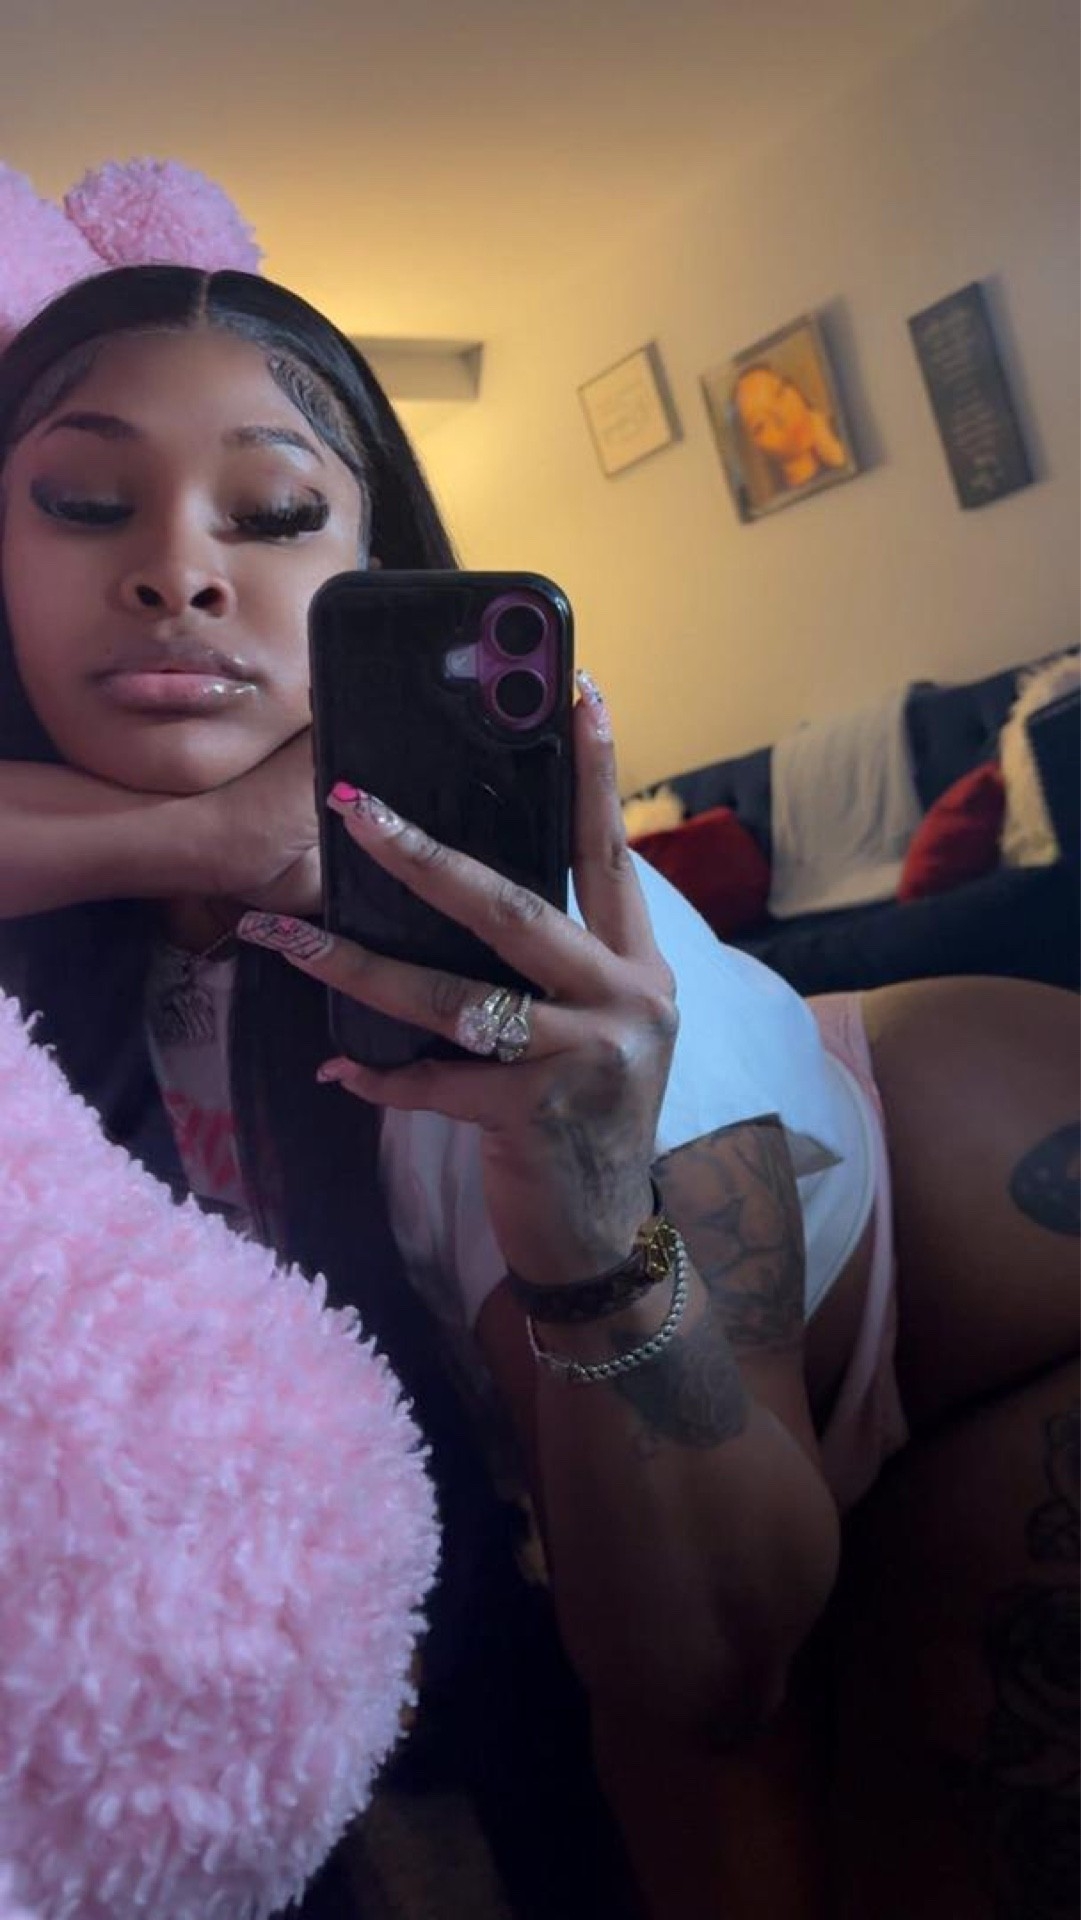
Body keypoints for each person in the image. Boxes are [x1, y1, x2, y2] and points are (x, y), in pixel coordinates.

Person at [0, 204, 1075, 1918]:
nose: (181, 571)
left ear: (380, 579)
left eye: (272, 515)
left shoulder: (503, 952)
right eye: (82, 500)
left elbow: (704, 1674)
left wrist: (581, 1207)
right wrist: (198, 840)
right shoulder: (96, 904)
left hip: (995, 1307)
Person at [733, 361, 848, 492]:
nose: (783, 416)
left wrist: (836, 455)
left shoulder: (846, 426)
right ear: (757, 449)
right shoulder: (786, 499)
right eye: (760, 423)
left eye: (779, 394)